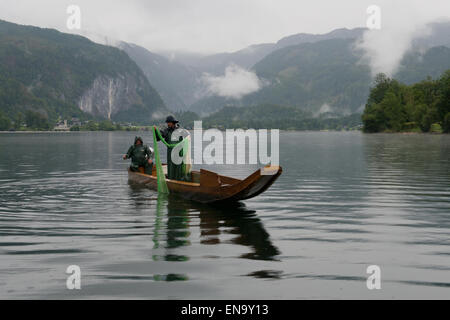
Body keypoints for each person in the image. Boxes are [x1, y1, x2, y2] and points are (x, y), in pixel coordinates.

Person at [154, 115, 190, 181]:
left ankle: (179, 179)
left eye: (169, 122)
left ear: (173, 122)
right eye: (167, 123)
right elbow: (159, 138)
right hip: (170, 152)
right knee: (171, 166)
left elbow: (187, 137)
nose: (168, 124)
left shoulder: (180, 130)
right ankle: (171, 179)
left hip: (179, 152)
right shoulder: (166, 131)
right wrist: (156, 131)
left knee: (178, 166)